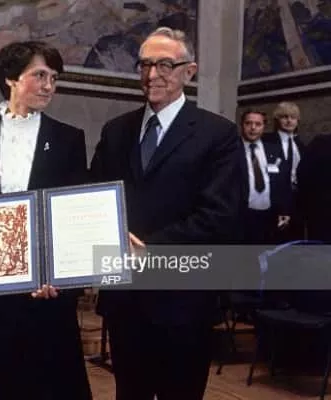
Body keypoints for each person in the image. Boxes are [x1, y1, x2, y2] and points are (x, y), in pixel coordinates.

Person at [90, 27, 244, 400]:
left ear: (189, 71)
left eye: (164, 65)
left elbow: (220, 215)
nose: (151, 75)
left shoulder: (218, 134)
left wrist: (150, 248)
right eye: (144, 64)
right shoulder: (116, 131)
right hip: (126, 299)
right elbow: (94, 199)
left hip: (184, 299)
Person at [0, 41, 92, 400]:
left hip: (46, 289)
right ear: (11, 78)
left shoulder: (69, 139)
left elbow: (74, 213)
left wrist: (61, 277)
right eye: (39, 75)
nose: (49, 86)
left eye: (54, 78)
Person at [261, 101, 305, 242]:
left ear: (297, 121)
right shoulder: (266, 141)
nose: (289, 121)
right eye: (284, 117)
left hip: (297, 202)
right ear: (277, 120)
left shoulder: (301, 145)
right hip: (273, 202)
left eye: (293, 117)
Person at [239, 109, 273, 244]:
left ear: (264, 127)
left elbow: (281, 180)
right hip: (241, 215)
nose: (253, 128)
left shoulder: (273, 149)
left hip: (268, 214)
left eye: (258, 124)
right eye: (248, 123)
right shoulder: (231, 149)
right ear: (242, 125)